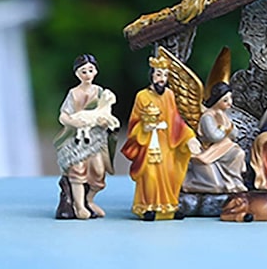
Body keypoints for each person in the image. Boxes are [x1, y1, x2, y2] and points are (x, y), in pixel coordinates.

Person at [121, 54, 201, 220]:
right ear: (151, 75)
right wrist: (144, 127)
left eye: (165, 75)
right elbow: (134, 122)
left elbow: (176, 120)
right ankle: (147, 206)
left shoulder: (169, 95)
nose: (162, 79)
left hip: (166, 143)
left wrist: (189, 137)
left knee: (170, 173)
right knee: (150, 176)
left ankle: (170, 206)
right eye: (158, 74)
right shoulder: (142, 96)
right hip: (149, 143)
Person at [54, 53, 118, 219]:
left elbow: (105, 113)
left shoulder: (100, 92)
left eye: (90, 70)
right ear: (77, 74)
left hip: (95, 140)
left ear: (95, 71)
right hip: (77, 141)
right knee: (78, 170)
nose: (87, 74)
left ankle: (89, 200)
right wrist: (73, 122)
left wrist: (104, 123)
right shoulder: (73, 93)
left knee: (98, 172)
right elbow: (63, 115)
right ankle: (79, 206)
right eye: (83, 71)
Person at [182, 82, 247, 193]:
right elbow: (214, 137)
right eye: (225, 100)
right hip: (209, 150)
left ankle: (235, 181)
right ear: (217, 100)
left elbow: (234, 135)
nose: (230, 103)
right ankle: (187, 183)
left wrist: (228, 126)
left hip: (222, 148)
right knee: (216, 186)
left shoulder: (223, 114)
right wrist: (223, 127)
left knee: (239, 153)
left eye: (230, 99)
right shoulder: (207, 116)